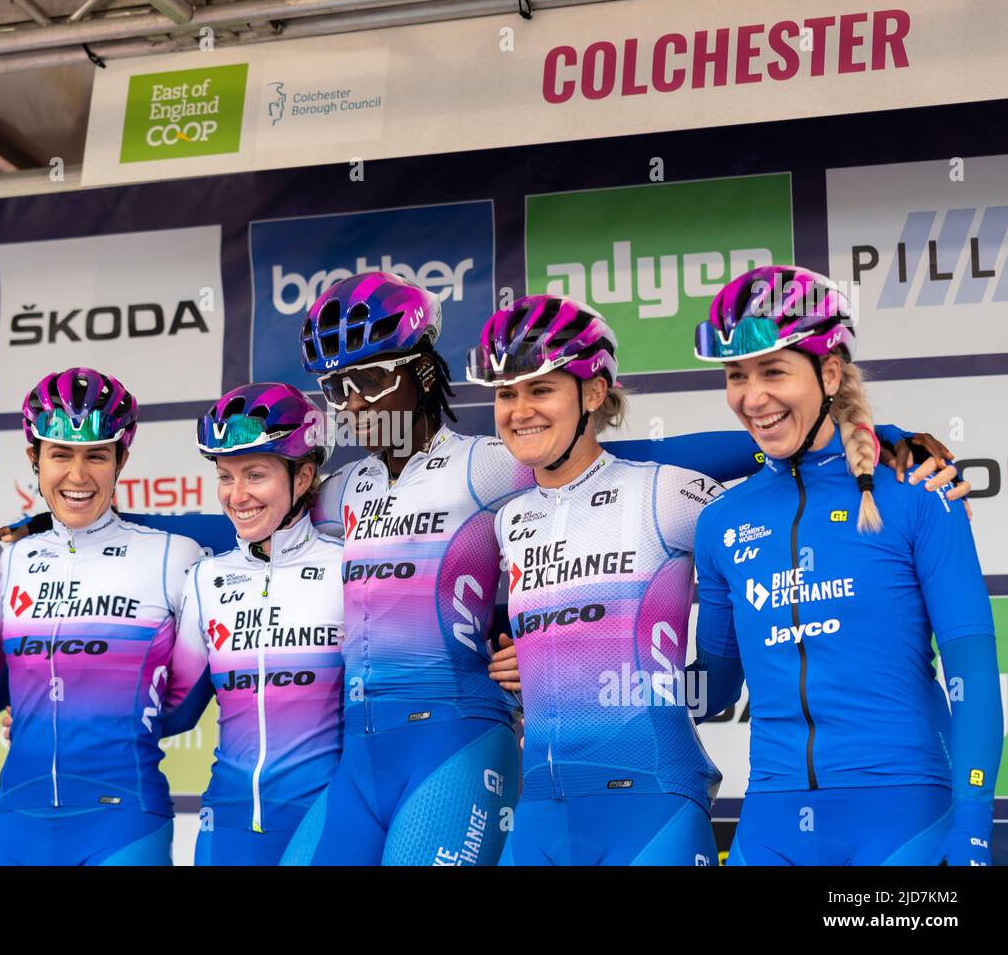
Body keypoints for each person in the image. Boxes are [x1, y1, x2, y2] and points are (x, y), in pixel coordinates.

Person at [281, 271, 968, 867]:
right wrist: (521, 651)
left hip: (632, 787)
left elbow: (656, 458)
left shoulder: (501, 465)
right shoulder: (353, 493)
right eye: (335, 387)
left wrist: (880, 435)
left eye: (371, 379)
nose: (353, 402)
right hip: (522, 790)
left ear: (424, 373)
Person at [690, 265, 1002, 865]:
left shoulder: (917, 490)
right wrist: (586, 674)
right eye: (736, 376)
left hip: (905, 814)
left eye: (774, 371)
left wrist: (972, 822)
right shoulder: (721, 522)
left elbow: (973, 675)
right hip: (771, 817)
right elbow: (716, 688)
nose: (752, 398)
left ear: (830, 372)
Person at [468, 294, 724, 865]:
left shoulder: (662, 491)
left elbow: (773, 523)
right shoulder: (511, 517)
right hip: (540, 808)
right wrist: (530, 653)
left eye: (540, 389)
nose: (519, 409)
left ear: (593, 392)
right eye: (506, 394)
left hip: (651, 799)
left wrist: (880, 442)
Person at [0, 368, 204, 865]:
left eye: (97, 455)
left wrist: (101, 719)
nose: (78, 476)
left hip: (122, 821)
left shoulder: (175, 556)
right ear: (34, 458)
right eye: (60, 454)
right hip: (20, 818)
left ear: (121, 459)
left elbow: (184, 706)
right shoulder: (13, 558)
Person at [162, 382, 345, 865]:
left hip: (328, 820)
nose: (236, 495)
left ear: (303, 477)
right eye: (225, 476)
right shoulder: (206, 578)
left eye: (256, 475)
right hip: (228, 822)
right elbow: (174, 708)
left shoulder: (348, 569)